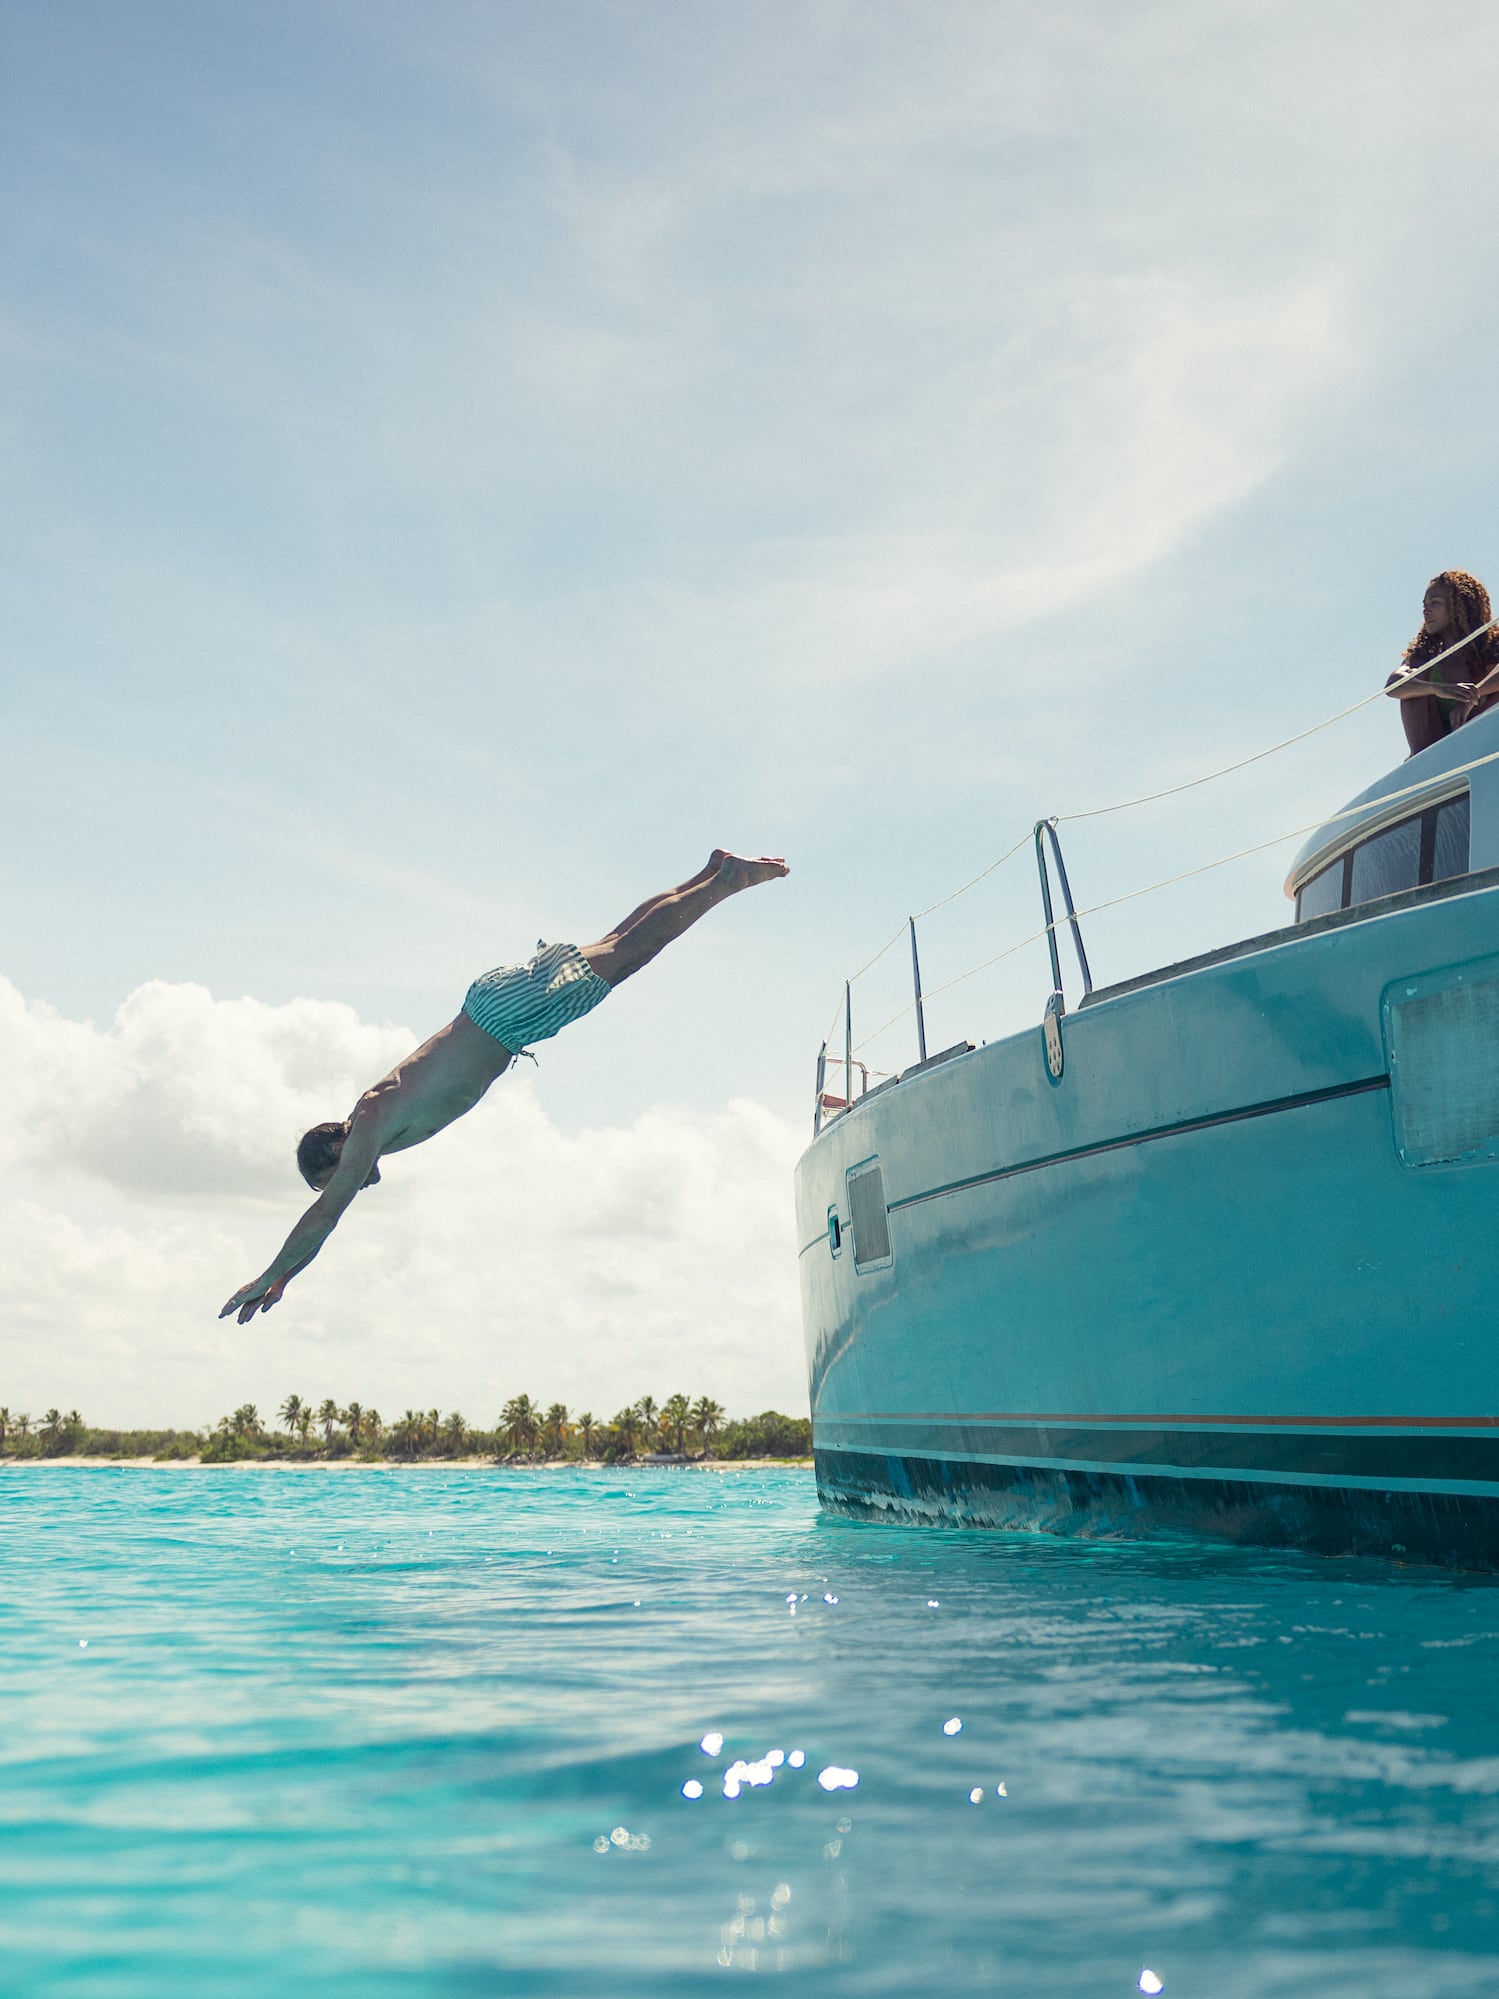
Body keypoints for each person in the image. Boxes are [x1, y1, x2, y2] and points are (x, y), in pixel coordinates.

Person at [219, 849, 789, 1324]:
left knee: (630, 951)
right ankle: (709, 873)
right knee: (621, 946)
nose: (348, 1184)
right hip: (491, 1006)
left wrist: (273, 1274)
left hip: (506, 1022)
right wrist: (288, 1275)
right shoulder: (375, 1115)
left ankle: (727, 882)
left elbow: (327, 1217)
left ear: (334, 1150)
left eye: (332, 1177)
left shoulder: (368, 1126)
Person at [1386, 570, 1499, 755]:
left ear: (1459, 606)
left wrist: (1475, 693)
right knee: (1412, 689)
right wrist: (1438, 688)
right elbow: (1392, 685)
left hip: (1483, 739)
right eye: (1424, 605)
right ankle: (1421, 760)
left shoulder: (1491, 646)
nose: (1426, 611)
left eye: (1435, 603)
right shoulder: (1425, 657)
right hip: (1438, 747)